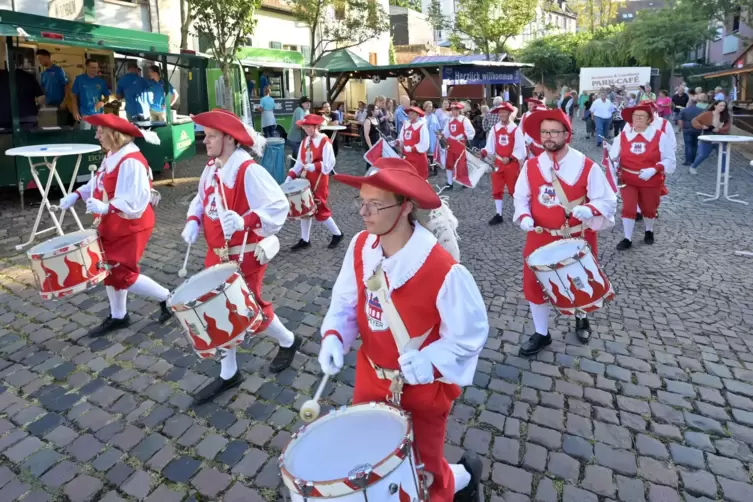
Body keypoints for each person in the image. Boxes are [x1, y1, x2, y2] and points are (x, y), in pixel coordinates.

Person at [318, 156, 488, 502]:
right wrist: (335, 335)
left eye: (375, 205)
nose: (363, 213)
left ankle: (460, 481)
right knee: (374, 460)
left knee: (421, 472)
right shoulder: (361, 246)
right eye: (360, 202)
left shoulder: (443, 269)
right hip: (370, 376)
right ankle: (460, 474)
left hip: (422, 388)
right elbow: (346, 301)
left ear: (405, 206)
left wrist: (431, 361)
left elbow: (471, 333)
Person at [182, 109, 301, 402]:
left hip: (244, 255)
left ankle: (288, 340)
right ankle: (229, 372)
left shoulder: (249, 171)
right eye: (206, 135)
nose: (205, 141)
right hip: (217, 254)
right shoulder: (213, 167)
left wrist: (246, 220)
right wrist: (193, 220)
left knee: (247, 310)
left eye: (211, 136)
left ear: (229, 139)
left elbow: (278, 206)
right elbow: (202, 197)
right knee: (223, 310)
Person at [513, 109, 617, 356]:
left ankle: (582, 318)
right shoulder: (531, 166)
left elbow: (608, 200)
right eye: (544, 132)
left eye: (554, 132)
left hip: (577, 236)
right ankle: (541, 333)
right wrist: (525, 216)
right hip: (540, 236)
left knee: (578, 283)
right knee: (534, 284)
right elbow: (521, 197)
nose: (548, 137)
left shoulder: (586, 166)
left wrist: (590, 208)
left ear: (566, 134)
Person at [57, 114, 170, 336]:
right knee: (108, 270)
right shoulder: (113, 155)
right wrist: (77, 194)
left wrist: (107, 207)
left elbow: (136, 200)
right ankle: (119, 315)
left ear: (113, 134)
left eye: (100, 131)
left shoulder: (131, 161)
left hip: (131, 225)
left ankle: (168, 297)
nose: (96, 134)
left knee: (122, 273)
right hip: (113, 223)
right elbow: (98, 181)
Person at [610, 104, 676, 250]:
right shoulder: (622, 136)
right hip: (628, 179)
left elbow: (670, 160)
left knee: (649, 208)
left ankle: (649, 230)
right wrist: (612, 161)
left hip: (650, 180)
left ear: (649, 119)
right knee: (628, 207)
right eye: (635, 116)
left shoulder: (660, 137)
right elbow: (613, 156)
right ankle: (627, 238)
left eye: (642, 116)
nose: (638, 119)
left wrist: (654, 169)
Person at [287, 114, 344, 250]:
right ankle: (305, 239)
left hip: (319, 179)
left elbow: (329, 163)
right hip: (306, 179)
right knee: (305, 209)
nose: (306, 129)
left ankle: (337, 234)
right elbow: (299, 163)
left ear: (316, 126)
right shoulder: (305, 142)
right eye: (304, 126)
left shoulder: (324, 141)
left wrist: (315, 166)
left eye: (308, 126)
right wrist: (291, 175)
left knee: (320, 207)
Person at [480, 102, 526, 225]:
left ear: (509, 113)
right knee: (497, 188)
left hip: (512, 164)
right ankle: (498, 214)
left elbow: (521, 148)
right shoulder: (495, 128)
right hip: (498, 164)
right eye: (500, 112)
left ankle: (521, 212)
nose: (501, 114)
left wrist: (511, 158)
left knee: (514, 190)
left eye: (504, 112)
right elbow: (490, 145)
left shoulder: (516, 130)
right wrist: (484, 151)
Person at [689, 100, 731, 175]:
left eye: (724, 106)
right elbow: (694, 121)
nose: (722, 107)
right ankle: (693, 167)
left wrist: (719, 129)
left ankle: (723, 172)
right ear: (715, 106)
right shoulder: (707, 114)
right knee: (703, 154)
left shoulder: (726, 116)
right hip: (708, 137)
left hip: (721, 138)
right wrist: (701, 126)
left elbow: (727, 127)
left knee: (723, 155)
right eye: (720, 105)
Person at [440, 102, 475, 190]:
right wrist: (442, 135)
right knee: (449, 163)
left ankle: (464, 181)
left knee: (461, 164)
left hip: (460, 144)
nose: (453, 111)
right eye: (452, 110)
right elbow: (446, 132)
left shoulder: (464, 120)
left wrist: (463, 135)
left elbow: (471, 131)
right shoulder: (449, 120)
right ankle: (449, 182)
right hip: (451, 144)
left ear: (459, 110)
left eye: (455, 109)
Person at [71, 59, 111, 128]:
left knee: (98, 136)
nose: (95, 70)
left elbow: (107, 97)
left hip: (99, 114)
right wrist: (75, 111)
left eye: (96, 67)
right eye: (93, 67)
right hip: (85, 113)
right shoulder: (79, 79)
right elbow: (74, 96)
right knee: (85, 136)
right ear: (87, 67)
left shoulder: (101, 82)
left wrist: (103, 102)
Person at [397, 105, 430, 179]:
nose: (409, 115)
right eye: (409, 113)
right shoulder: (405, 124)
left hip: (418, 158)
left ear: (417, 115)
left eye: (412, 113)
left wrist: (412, 149)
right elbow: (402, 138)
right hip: (407, 158)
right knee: (408, 178)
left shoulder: (422, 126)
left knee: (419, 179)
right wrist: (398, 142)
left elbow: (425, 143)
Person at [37, 49, 68, 115]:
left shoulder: (58, 71)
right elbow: (42, 89)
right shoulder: (43, 74)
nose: (39, 61)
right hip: (48, 105)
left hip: (59, 105)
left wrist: (65, 101)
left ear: (47, 57)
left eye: (40, 58)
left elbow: (67, 85)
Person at [678, 93, 703, 165]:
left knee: (688, 144)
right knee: (695, 144)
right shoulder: (701, 110)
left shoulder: (684, 110)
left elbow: (680, 120)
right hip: (697, 129)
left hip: (687, 128)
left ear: (689, 102)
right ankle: (693, 160)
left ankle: (688, 160)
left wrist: (681, 128)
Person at [287, 96, 310, 168]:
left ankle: (292, 171)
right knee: (299, 158)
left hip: (299, 139)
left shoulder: (307, 111)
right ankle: (296, 173)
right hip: (294, 139)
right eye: (306, 102)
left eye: (309, 102)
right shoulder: (299, 110)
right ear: (302, 103)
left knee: (295, 157)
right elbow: (298, 125)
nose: (309, 104)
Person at [423, 100, 440, 175]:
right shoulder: (422, 116)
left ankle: (435, 169)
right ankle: (426, 168)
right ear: (425, 107)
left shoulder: (434, 116)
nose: (430, 108)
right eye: (429, 107)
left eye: (431, 107)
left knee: (433, 153)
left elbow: (438, 127)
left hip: (433, 137)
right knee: (425, 153)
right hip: (425, 136)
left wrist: (439, 134)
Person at [362, 104, 380, 171]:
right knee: (370, 162)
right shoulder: (368, 121)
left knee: (377, 161)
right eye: (377, 109)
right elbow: (366, 135)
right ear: (372, 111)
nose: (378, 111)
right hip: (371, 144)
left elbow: (379, 132)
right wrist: (370, 147)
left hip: (377, 143)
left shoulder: (376, 119)